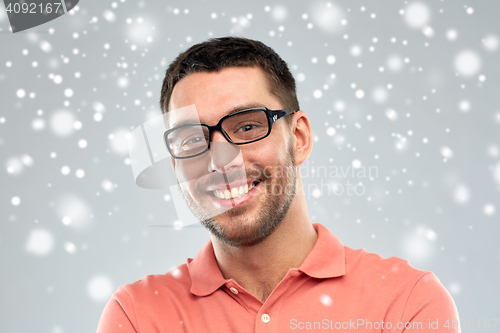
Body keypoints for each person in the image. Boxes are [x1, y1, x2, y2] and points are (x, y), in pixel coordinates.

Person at [97, 37, 459, 332]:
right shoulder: (136, 316)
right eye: (193, 140)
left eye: (248, 126)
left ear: (298, 137)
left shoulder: (406, 302)